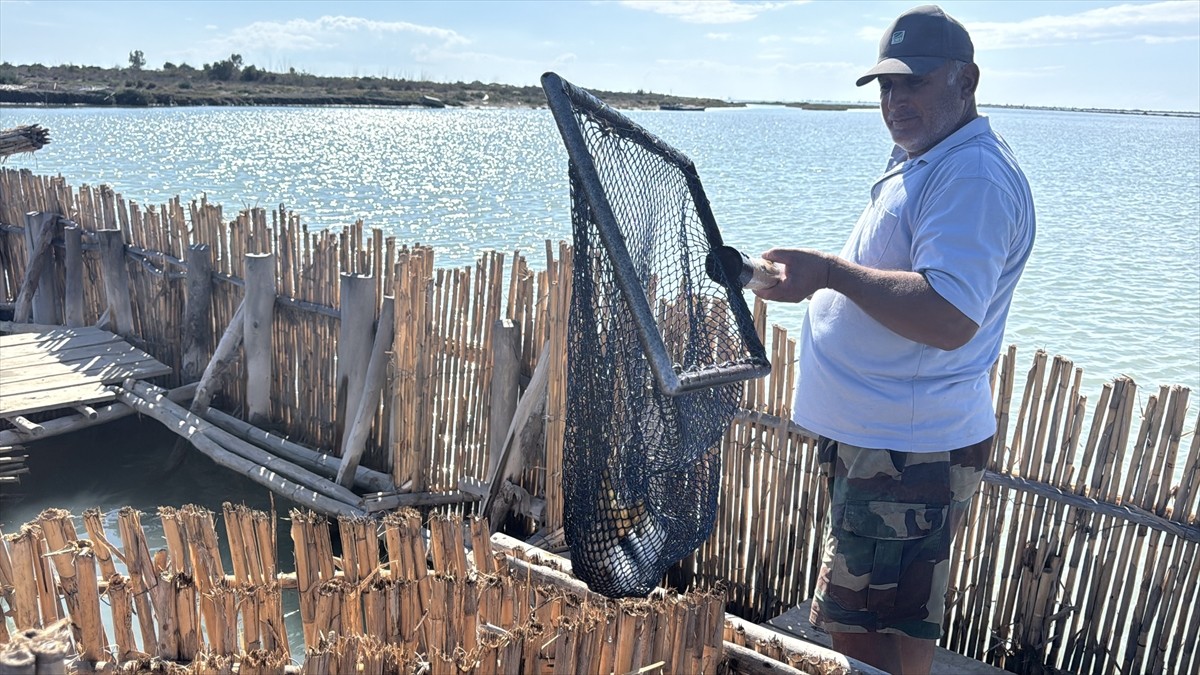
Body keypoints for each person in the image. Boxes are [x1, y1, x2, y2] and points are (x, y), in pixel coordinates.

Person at [753, 5, 1035, 674]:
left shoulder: (972, 175)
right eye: (886, 85)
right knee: (897, 621)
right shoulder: (933, 157)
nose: (895, 100)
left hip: (906, 452)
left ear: (966, 80)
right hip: (892, 445)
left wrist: (831, 273)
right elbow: (904, 275)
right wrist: (817, 279)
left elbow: (948, 316)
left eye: (915, 82)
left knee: (861, 631)